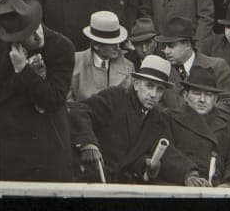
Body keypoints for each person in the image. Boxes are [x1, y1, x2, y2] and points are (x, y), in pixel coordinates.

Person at [69, 54, 207, 186]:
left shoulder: (157, 118)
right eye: (149, 86)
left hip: (123, 186)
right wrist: (88, 143)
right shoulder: (114, 97)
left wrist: (189, 173)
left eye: (159, 89)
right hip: (91, 178)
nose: (153, 95)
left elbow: (166, 152)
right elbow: (79, 111)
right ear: (136, 83)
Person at [0, 0, 75, 182]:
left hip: (47, 151)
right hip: (10, 154)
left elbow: (54, 99)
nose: (36, 36)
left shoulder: (61, 46)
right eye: (25, 35)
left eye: (35, 27)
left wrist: (23, 70)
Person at [166, 64, 230, 187]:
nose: (202, 99)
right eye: (196, 93)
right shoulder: (170, 119)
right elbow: (167, 153)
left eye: (208, 95)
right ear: (185, 96)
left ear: (216, 99)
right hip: (179, 186)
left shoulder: (229, 124)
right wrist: (187, 174)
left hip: (217, 188)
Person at [154, 16, 230, 114]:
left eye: (171, 46)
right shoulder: (163, 70)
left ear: (187, 45)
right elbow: (158, 103)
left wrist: (205, 118)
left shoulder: (217, 66)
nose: (166, 51)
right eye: (164, 46)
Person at [69, 11, 133, 102]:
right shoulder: (75, 62)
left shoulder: (128, 68)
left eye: (118, 42)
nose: (117, 47)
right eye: (111, 43)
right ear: (96, 45)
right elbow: (67, 102)